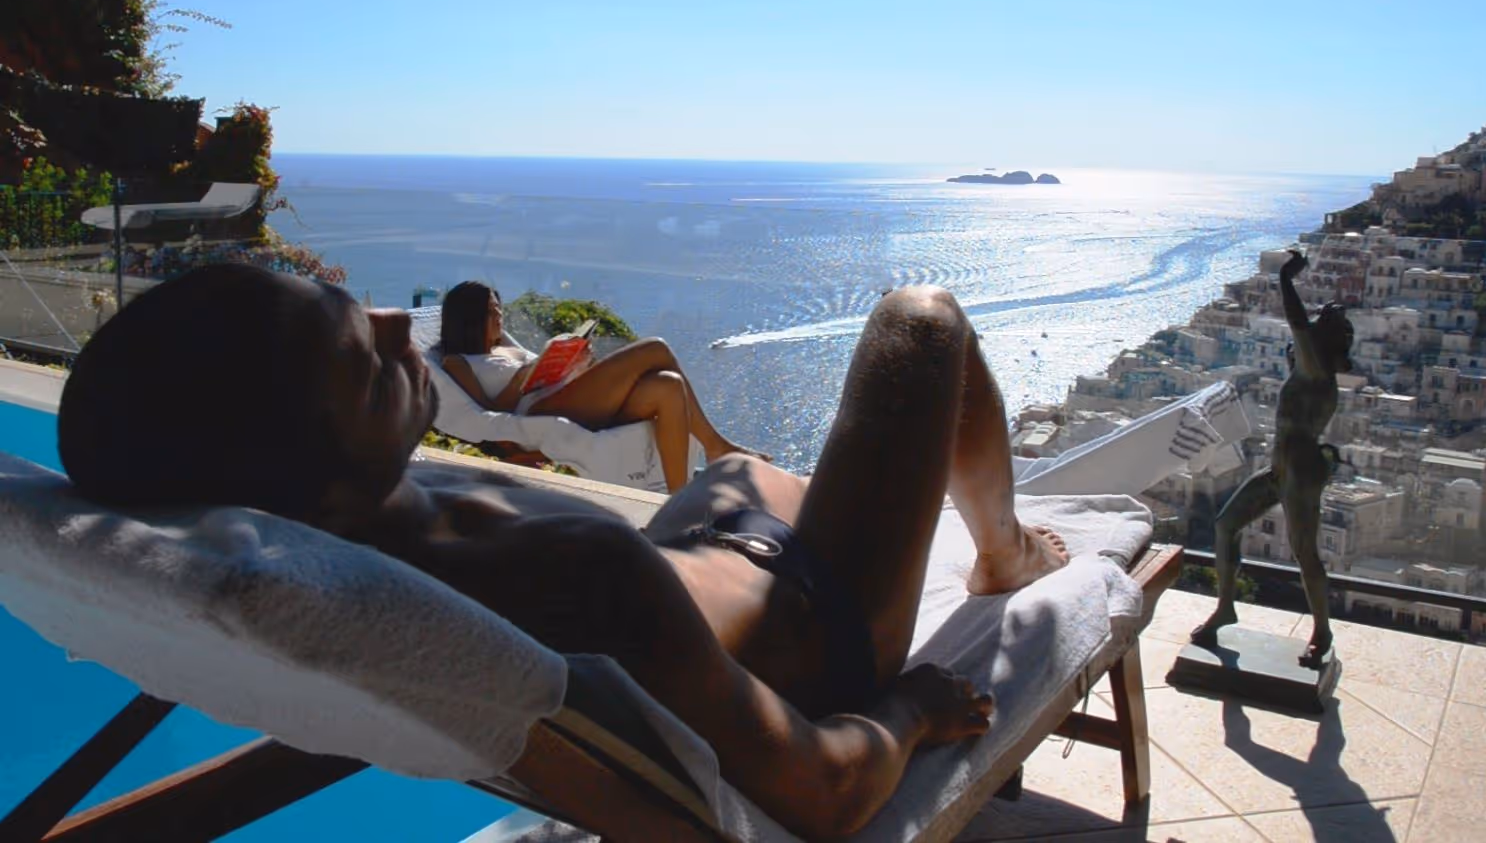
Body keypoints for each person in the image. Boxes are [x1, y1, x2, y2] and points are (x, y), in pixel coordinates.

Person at [57, 265, 1071, 840]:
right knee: (921, 322)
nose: (396, 324)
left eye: (352, 305)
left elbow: (353, 698)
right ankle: (1002, 555)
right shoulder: (576, 580)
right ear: (315, 479)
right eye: (368, 361)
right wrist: (912, 709)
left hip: (711, 557)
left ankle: (765, 494)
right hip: (819, 623)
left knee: (737, 468)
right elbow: (820, 790)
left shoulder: (331, 559)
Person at [436, 280, 765, 490]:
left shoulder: (506, 346)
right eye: (492, 313)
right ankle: (715, 446)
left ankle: (675, 501)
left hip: (558, 396)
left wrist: (573, 365)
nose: (500, 318)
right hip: (535, 413)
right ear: (470, 319)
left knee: (667, 386)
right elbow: (492, 412)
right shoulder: (458, 361)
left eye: (499, 310)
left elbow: (541, 377)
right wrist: (529, 371)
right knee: (655, 348)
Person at [1191, 249, 1353, 668]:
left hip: (1300, 469)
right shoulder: (1306, 372)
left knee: (1304, 552)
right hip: (1280, 466)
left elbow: (1297, 324)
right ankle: (1225, 606)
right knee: (1226, 525)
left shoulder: (1317, 373)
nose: (1299, 342)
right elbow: (1298, 334)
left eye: (1311, 335)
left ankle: (1321, 629)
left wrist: (1285, 279)